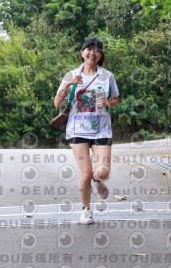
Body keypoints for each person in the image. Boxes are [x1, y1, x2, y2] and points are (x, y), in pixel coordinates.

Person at [54, 37, 120, 224]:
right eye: (89, 49)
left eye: (97, 50)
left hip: (101, 130)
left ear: (101, 55)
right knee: (86, 174)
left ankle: (98, 181)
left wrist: (108, 102)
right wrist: (67, 84)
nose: (92, 53)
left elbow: (116, 99)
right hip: (77, 131)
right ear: (82, 53)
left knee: (102, 172)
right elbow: (57, 103)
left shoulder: (107, 76)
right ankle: (86, 211)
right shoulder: (71, 75)